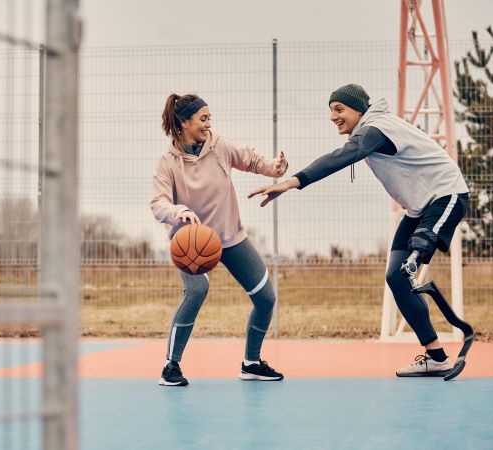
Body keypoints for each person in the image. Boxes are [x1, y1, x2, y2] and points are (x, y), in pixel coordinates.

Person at [248, 84, 469, 377]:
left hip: (447, 196)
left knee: (414, 256)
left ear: (359, 110)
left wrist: (292, 181)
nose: (333, 116)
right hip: (419, 207)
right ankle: (436, 357)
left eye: (339, 109)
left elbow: (341, 157)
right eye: (331, 110)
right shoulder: (369, 131)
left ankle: (423, 268)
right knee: (395, 276)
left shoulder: (376, 128)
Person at [150, 93, 288, 386]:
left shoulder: (219, 146)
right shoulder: (167, 163)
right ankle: (170, 366)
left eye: (209, 118)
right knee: (196, 291)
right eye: (203, 118)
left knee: (266, 298)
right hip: (192, 243)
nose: (208, 124)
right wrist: (178, 212)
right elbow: (158, 204)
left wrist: (274, 168)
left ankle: (251, 363)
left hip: (229, 237)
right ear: (183, 122)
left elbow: (249, 158)